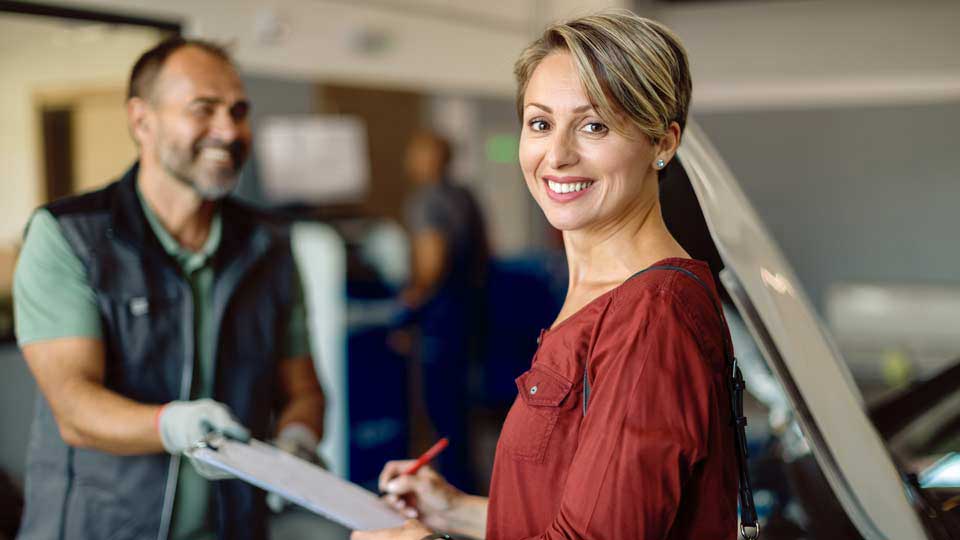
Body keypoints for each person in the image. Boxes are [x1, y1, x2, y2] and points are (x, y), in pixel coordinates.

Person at [354, 10, 739, 540]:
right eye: (540, 123)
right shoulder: (600, 296)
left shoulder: (651, 317)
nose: (557, 155)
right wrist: (453, 511)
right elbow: (572, 508)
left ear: (664, 143)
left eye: (594, 125)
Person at [13, 37, 324, 540]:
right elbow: (74, 409)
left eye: (238, 111)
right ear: (142, 121)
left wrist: (296, 442)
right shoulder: (69, 235)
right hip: (98, 529)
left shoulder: (269, 245)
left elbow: (304, 389)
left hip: (234, 528)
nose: (228, 129)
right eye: (204, 109)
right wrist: (171, 426)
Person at [401, 131, 489, 490]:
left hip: (439, 318)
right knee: (461, 411)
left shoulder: (426, 201)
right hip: (470, 312)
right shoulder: (465, 196)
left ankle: (444, 491)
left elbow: (431, 261)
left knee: (438, 409)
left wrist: (410, 301)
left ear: (430, 158)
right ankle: (465, 485)